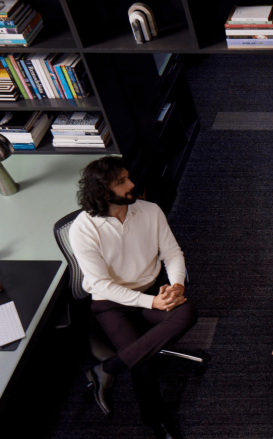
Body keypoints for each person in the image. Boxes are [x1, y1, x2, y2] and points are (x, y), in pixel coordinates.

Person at [69, 156, 198, 439]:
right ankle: (157, 422)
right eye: (122, 182)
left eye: (128, 177)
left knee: (187, 312)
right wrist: (151, 303)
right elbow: (101, 284)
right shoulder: (83, 229)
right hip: (111, 303)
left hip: (151, 291)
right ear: (104, 193)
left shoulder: (150, 211)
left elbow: (173, 253)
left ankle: (107, 369)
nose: (132, 184)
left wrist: (176, 286)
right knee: (144, 361)